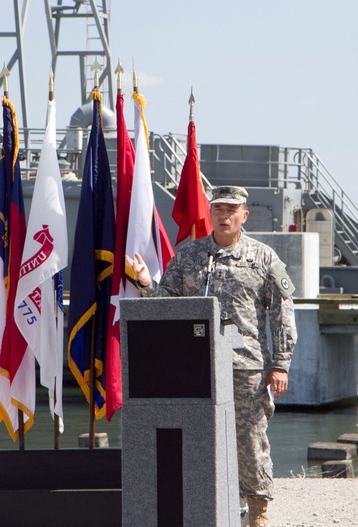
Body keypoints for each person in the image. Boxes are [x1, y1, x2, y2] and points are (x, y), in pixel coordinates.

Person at [126, 185, 296, 527]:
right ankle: (205, 506)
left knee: (249, 440)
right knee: (197, 438)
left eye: (232, 209)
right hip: (194, 367)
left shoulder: (263, 258)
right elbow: (168, 305)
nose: (224, 215)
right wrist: (145, 283)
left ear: (244, 215)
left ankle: (257, 512)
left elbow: (282, 312)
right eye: (218, 209)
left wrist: (280, 363)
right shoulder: (189, 256)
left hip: (244, 365)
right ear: (210, 214)